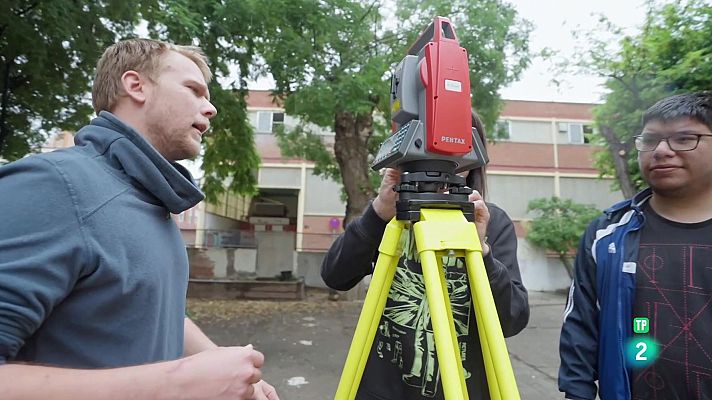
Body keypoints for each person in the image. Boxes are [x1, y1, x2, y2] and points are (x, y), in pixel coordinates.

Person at [0, 38, 278, 400]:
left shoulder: (152, 204)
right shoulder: (54, 185)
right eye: (193, 90)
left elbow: (154, 314)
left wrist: (221, 365)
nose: (210, 108)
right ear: (136, 86)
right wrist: (179, 382)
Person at [321, 113, 530, 399]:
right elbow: (335, 276)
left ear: (473, 156)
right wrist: (378, 212)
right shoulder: (394, 216)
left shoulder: (491, 222)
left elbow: (513, 319)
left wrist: (481, 250)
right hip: (383, 389)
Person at [559, 92, 712, 400]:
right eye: (650, 140)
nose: (662, 151)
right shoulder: (607, 234)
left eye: (684, 138)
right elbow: (581, 325)